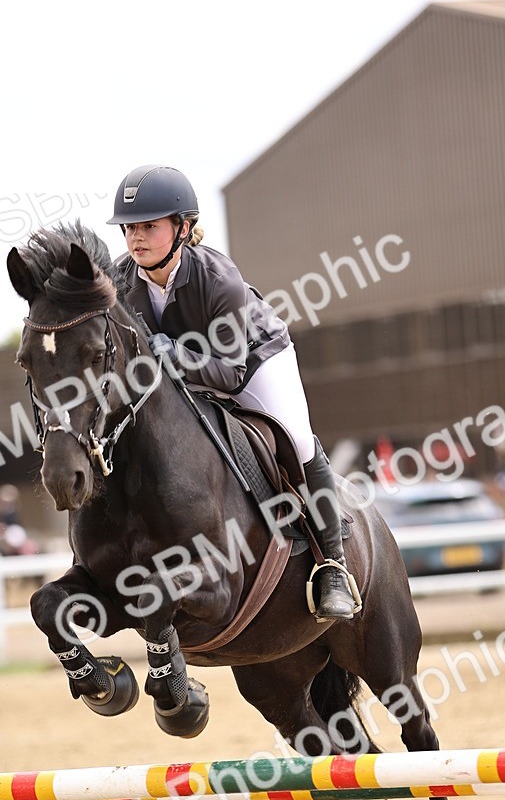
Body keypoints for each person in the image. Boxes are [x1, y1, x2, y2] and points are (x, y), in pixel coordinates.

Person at [107, 164, 358, 620]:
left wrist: (173, 355)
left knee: (297, 440)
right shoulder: (120, 282)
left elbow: (228, 374)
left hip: (254, 360)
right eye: (128, 228)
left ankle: (334, 564)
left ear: (182, 227)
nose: (135, 237)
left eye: (148, 226)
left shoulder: (216, 276)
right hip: (183, 374)